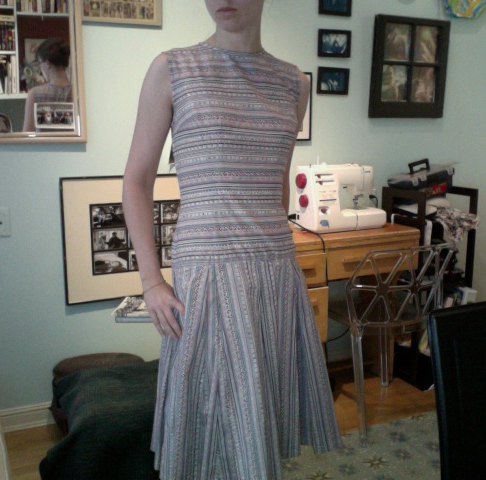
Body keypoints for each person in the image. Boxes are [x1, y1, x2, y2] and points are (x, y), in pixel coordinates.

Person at [122, 1, 342, 478]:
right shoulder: (172, 69)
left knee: (260, 420)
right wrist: (151, 281)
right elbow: (136, 181)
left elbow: (278, 180)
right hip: (207, 270)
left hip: (274, 268)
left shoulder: (294, 82)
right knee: (208, 423)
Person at [22, 38, 73, 132]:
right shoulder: (78, 93)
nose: (40, 68)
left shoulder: (35, 94)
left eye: (40, 63)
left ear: (48, 63)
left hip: (44, 143)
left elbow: (28, 134)